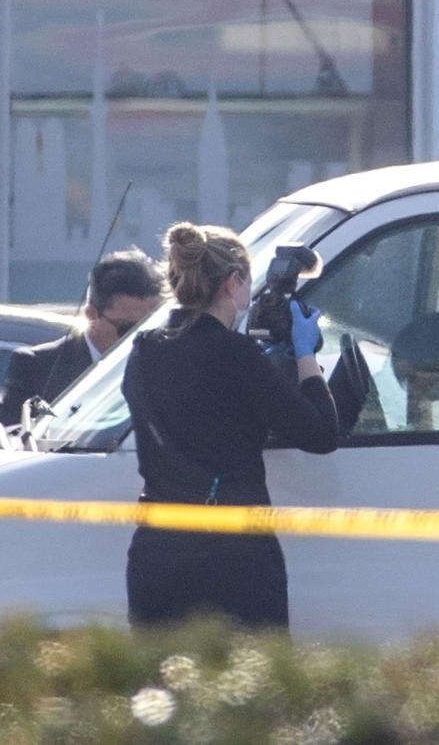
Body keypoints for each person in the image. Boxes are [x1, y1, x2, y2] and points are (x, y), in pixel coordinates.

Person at [122, 222, 338, 631]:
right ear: (234, 282)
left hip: (158, 550)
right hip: (232, 553)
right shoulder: (236, 355)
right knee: (247, 686)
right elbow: (320, 433)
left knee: (162, 685)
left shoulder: (144, 350)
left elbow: (195, 415)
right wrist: (305, 355)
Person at [0, 247, 163, 426]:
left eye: (151, 325)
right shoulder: (37, 367)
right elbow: (8, 436)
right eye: (127, 328)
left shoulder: (164, 363)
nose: (139, 338)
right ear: (91, 315)